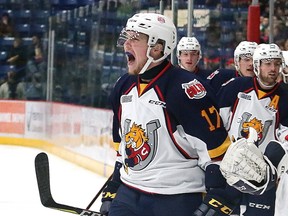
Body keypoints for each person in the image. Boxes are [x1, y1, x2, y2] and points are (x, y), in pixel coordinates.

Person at [99, 12, 242, 216]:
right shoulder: (123, 85)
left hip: (176, 197)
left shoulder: (185, 89)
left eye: (135, 39)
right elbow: (124, 147)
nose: (126, 45)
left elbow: (216, 152)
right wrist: (114, 185)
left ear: (157, 48)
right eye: (126, 38)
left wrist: (218, 194)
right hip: (129, 193)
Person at [217, 43, 288, 216]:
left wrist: (274, 164)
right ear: (257, 66)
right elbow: (217, 125)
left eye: (277, 63)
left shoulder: (285, 96)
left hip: (262, 175)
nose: (273, 68)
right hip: (229, 167)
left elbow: (284, 136)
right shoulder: (235, 87)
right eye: (268, 63)